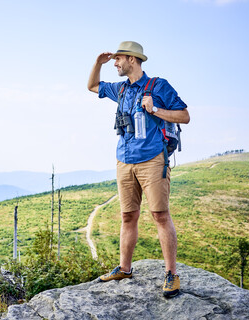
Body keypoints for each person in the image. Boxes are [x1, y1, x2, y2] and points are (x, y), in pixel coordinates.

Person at [87, 41, 190, 298]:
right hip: (124, 160)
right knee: (127, 216)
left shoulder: (158, 86)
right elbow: (92, 86)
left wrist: (154, 109)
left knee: (160, 216)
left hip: (152, 159)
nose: (115, 63)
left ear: (132, 59)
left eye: (118, 59)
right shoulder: (120, 89)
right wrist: (97, 63)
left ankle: (171, 275)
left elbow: (184, 115)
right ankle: (124, 268)